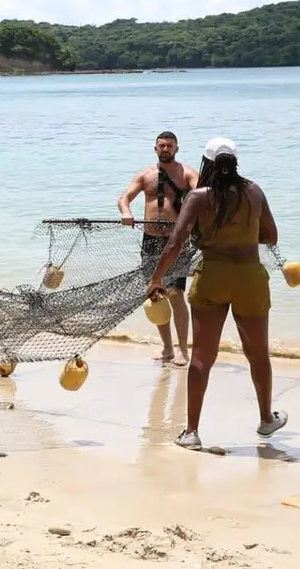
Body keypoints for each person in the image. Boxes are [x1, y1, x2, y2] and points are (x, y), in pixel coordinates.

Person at [146, 137, 289, 451]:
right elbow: (271, 236)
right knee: (258, 353)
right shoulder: (254, 192)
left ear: (207, 164)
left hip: (212, 277)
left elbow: (175, 244)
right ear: (235, 163)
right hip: (250, 278)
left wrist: (157, 277)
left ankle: (192, 433)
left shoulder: (198, 197)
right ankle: (266, 419)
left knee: (202, 357)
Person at [118, 130, 199, 367]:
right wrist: (126, 212)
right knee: (155, 294)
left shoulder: (188, 173)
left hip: (177, 240)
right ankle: (166, 349)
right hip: (151, 239)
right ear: (155, 149)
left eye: (170, 146)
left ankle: (183, 350)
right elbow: (124, 198)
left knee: (175, 295)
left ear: (177, 148)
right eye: (161, 146)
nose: (165, 149)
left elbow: (202, 195)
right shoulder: (145, 175)